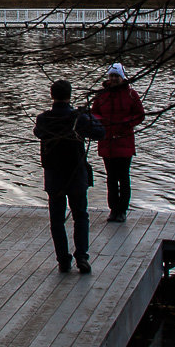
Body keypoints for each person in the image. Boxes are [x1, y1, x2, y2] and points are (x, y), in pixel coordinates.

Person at [34, 79, 104, 274]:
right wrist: (88, 115)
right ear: (70, 95)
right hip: (76, 175)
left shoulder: (43, 119)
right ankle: (82, 256)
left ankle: (63, 260)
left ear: (51, 95)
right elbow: (100, 133)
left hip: (54, 175)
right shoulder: (77, 119)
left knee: (56, 220)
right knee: (81, 216)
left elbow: (38, 132)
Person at [91, 62, 146, 222]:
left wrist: (125, 123)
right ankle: (113, 209)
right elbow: (95, 113)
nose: (114, 79)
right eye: (112, 76)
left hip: (124, 141)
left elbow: (139, 115)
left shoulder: (131, 94)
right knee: (110, 177)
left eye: (117, 76)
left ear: (122, 77)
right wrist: (103, 122)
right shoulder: (102, 94)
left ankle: (122, 210)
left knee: (123, 177)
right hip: (107, 141)